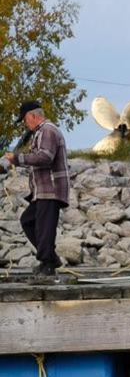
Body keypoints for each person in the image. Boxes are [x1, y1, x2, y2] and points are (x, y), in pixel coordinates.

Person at [4, 101, 69, 276]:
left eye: (25, 119)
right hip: (42, 190)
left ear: (33, 115)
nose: (26, 123)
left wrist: (18, 159)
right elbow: (39, 159)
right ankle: (50, 258)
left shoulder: (47, 130)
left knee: (45, 227)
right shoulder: (41, 132)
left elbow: (45, 157)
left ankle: (47, 265)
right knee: (28, 221)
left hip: (50, 189)